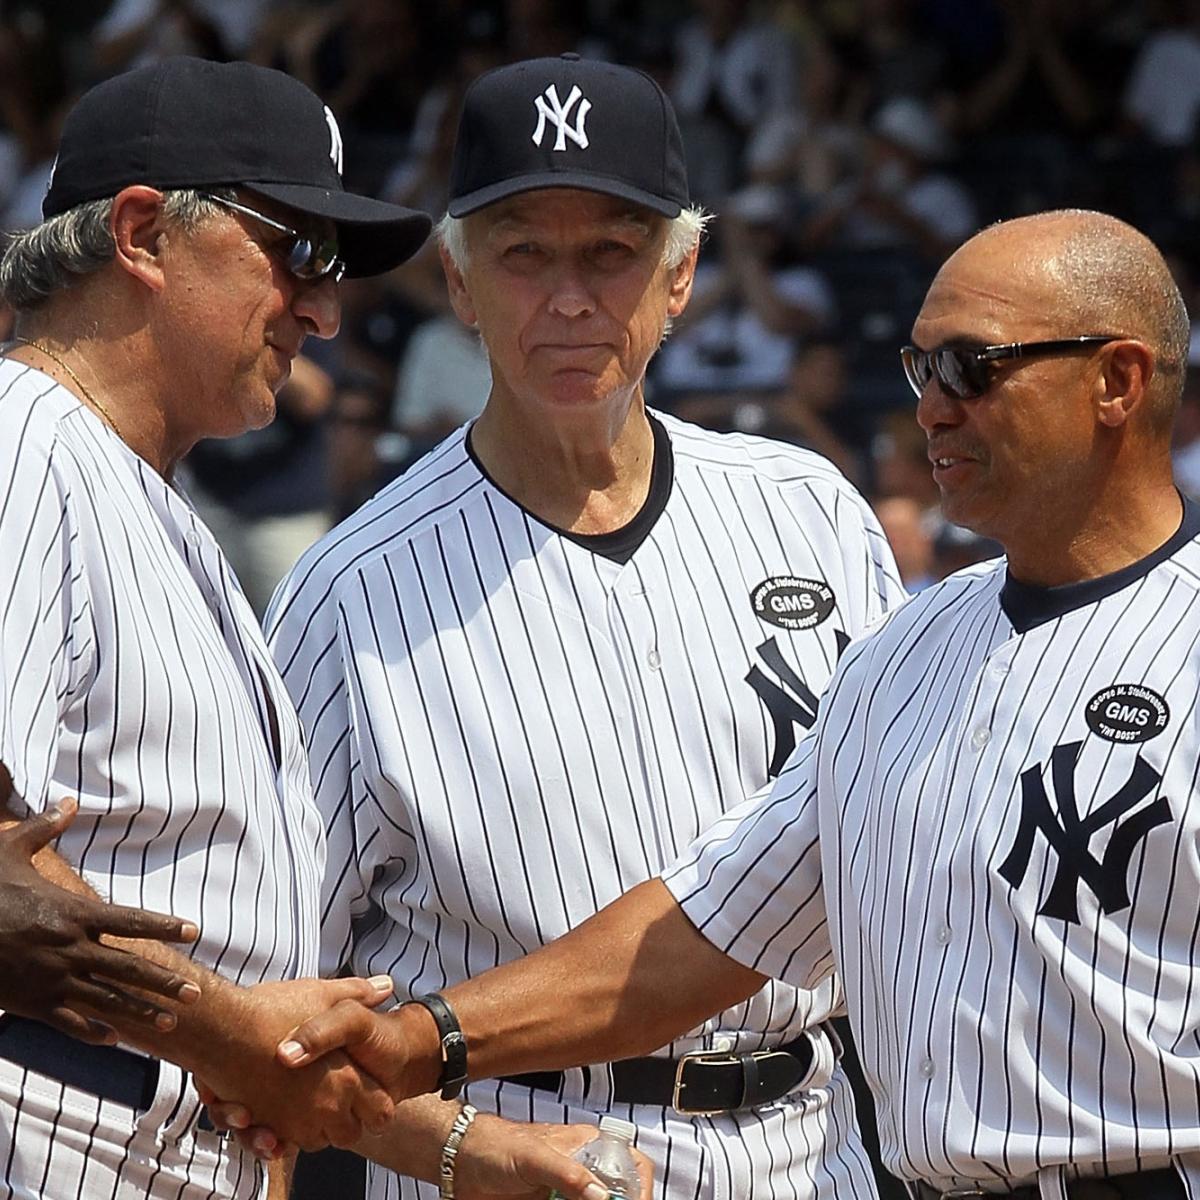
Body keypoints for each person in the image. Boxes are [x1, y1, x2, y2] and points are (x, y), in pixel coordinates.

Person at [263, 208, 1200, 1200]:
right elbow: (703, 932)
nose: (931, 406)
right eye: (922, 369)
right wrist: (421, 1040)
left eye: (973, 367)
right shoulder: (900, 654)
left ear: (1117, 382)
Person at [263, 52, 905, 1200]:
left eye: (612, 252)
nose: (570, 297)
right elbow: (284, 1002)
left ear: (681, 275)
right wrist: (448, 1149)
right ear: (460, 286)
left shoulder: (810, 514)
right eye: (524, 254)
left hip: (809, 1144)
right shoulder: (348, 589)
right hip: (509, 1146)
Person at [0, 55, 636, 1200]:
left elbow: (246, 998)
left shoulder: (147, 496)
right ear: (142, 234)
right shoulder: (23, 448)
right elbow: (4, 883)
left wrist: (458, 1149)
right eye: (297, 250)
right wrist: (237, 1035)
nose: (325, 308)